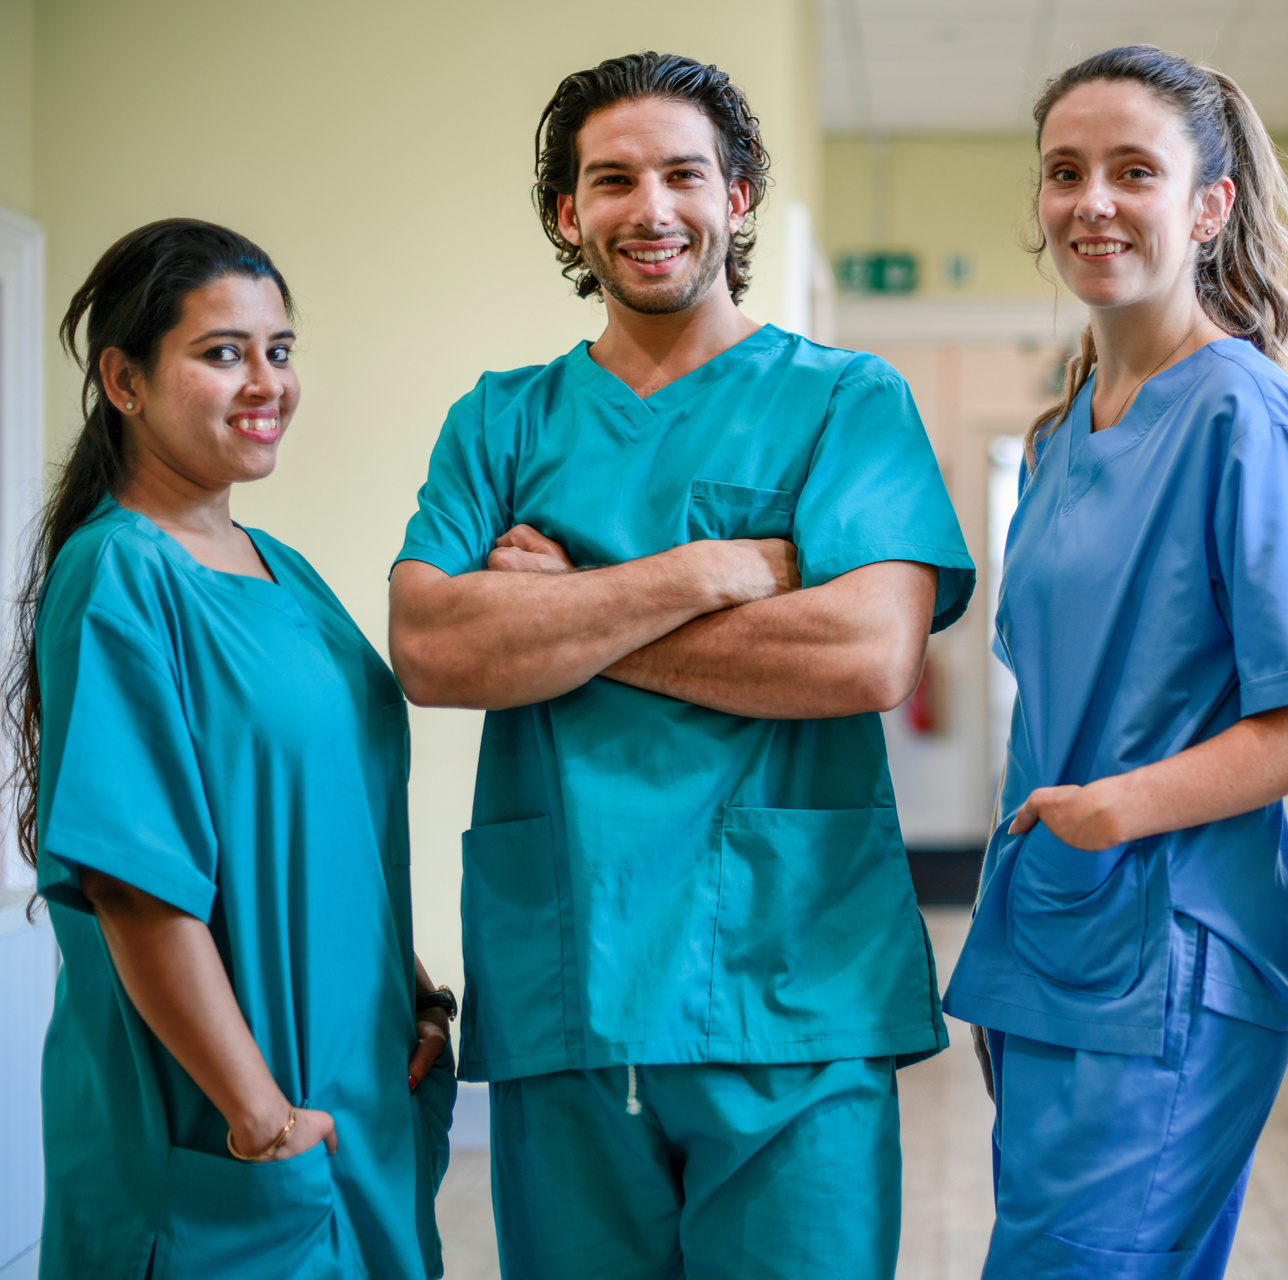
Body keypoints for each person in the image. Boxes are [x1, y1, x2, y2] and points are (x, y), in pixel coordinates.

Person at [386, 52, 974, 1280]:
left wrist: (565, 621)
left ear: (740, 195)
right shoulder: (500, 419)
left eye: (683, 174)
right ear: (568, 214)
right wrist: (711, 571)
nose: (650, 208)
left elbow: (866, 652)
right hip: (568, 984)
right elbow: (438, 647)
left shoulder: (844, 402)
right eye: (612, 180)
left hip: (792, 980)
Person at [942, 45, 1288, 1280]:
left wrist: (1112, 810)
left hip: (1173, 942)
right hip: (1054, 933)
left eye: (1135, 170)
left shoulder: (1244, 406)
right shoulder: (1063, 426)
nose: (1093, 201)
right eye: (1065, 171)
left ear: (1209, 204)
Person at [19, 219, 454, 1279]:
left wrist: (412, 988)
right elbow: (134, 886)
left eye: (280, 348)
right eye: (223, 353)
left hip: (358, 1109)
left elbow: (319, 821)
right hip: (237, 1129)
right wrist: (258, 1116)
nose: (266, 382)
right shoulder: (121, 573)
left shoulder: (282, 570)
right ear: (124, 381)